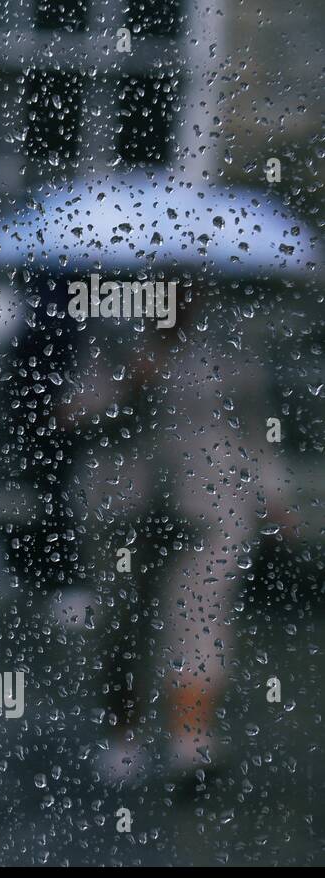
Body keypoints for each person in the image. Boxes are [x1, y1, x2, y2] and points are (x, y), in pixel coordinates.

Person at [65, 279, 292, 781]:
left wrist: (273, 494)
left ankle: (190, 735)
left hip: (213, 499)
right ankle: (123, 734)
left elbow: (256, 420)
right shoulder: (111, 331)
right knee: (121, 620)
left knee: (202, 616)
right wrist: (130, 382)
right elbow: (72, 411)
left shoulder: (230, 337)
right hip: (122, 499)